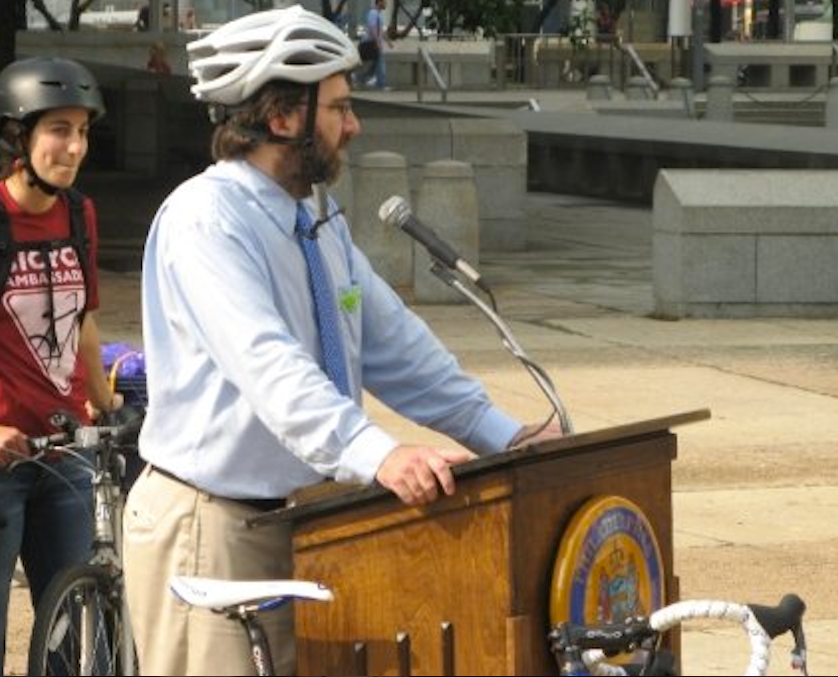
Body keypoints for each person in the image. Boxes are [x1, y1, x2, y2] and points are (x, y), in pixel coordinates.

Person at [122, 6, 562, 675]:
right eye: (337, 108)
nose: (353, 126)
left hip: (311, 519)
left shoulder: (315, 216)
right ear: (281, 117)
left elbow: (395, 345)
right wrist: (377, 454)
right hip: (214, 528)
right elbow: (270, 366)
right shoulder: (205, 219)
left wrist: (502, 435)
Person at [0, 56, 123, 676]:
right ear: (16, 135)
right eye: (59, 129)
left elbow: (83, 320)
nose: (75, 146)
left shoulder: (79, 216)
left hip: (64, 456)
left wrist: (107, 405)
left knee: (71, 634)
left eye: (83, 131)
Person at [358, 0, 392, 89]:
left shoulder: (379, 14)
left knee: (373, 66)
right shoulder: (373, 13)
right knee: (380, 65)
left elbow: (381, 30)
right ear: (379, 2)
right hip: (370, 43)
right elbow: (372, 28)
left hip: (374, 43)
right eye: (384, 2)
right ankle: (380, 85)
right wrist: (377, 42)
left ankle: (359, 79)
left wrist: (388, 42)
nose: (386, 4)